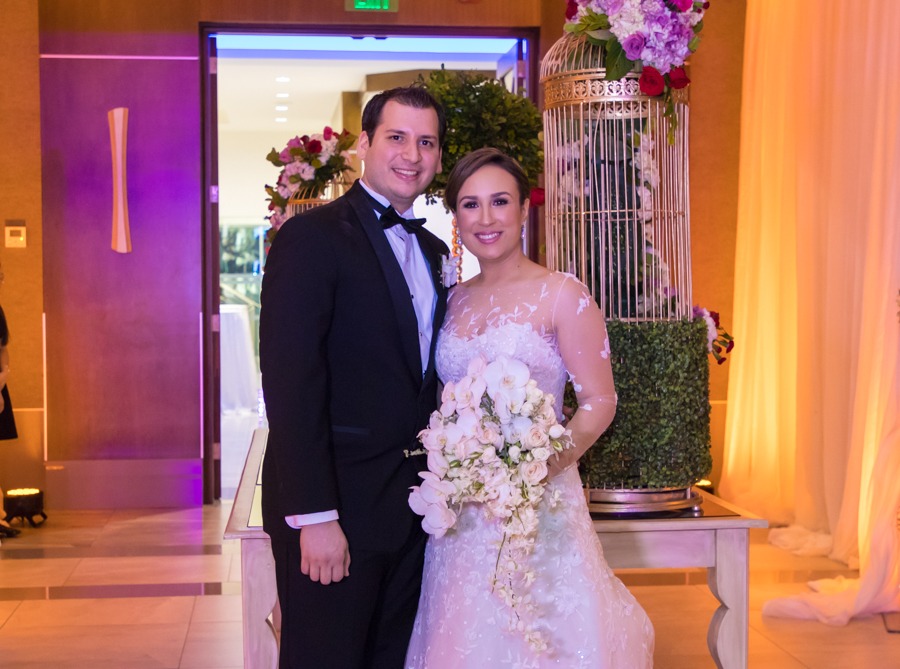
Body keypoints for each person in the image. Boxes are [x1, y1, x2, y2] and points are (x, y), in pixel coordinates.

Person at [405, 148, 655, 667]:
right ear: (456, 217)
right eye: (470, 204)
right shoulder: (450, 300)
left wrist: (536, 467)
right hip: (462, 516)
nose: (486, 218)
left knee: (540, 639)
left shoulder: (562, 294)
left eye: (500, 201)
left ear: (524, 209)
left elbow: (599, 401)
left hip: (539, 505)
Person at [259, 86, 450, 668]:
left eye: (426, 142)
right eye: (396, 137)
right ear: (364, 144)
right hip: (335, 507)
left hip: (411, 510)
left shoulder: (434, 249)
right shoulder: (310, 238)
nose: (412, 155)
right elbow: (291, 382)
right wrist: (315, 516)